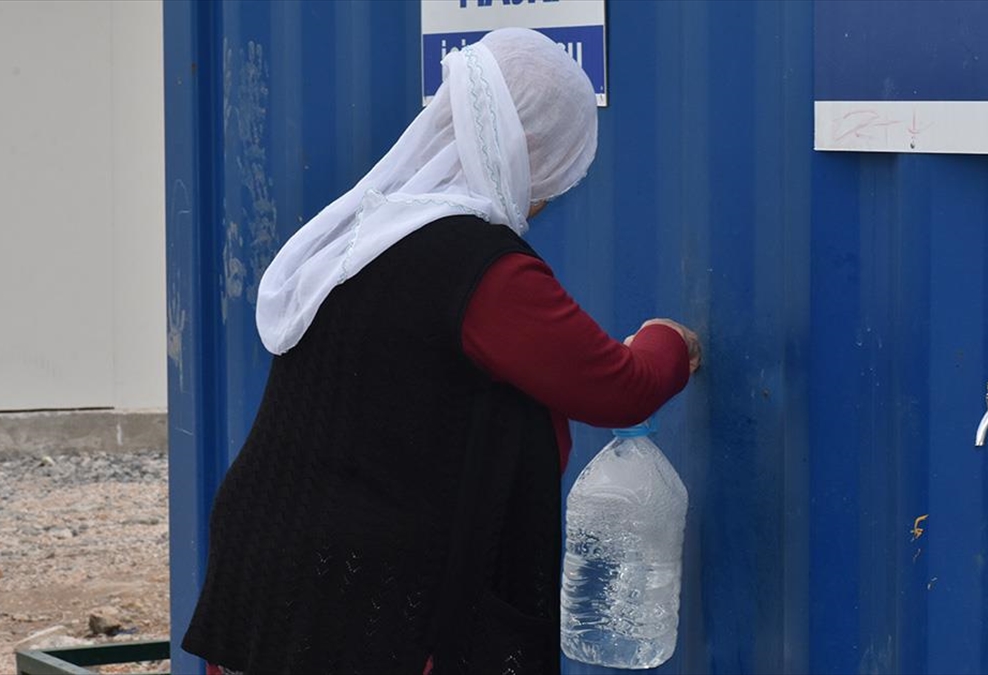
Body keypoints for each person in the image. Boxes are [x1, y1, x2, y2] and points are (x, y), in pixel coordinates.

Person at [182, 27, 701, 675]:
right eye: (561, 163)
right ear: (526, 146)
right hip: (362, 605)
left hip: (266, 575)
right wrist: (672, 341)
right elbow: (621, 386)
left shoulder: (372, 232)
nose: (556, 190)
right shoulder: (484, 271)